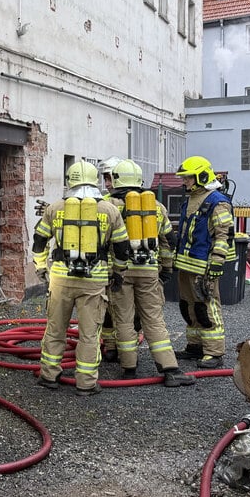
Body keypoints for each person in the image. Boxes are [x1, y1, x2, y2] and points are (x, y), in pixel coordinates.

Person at [32, 160, 131, 395]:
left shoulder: (54, 208)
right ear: (95, 180)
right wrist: (118, 273)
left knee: (55, 329)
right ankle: (86, 383)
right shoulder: (109, 209)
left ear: (70, 181)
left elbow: (39, 242)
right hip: (94, 281)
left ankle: (49, 376)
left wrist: (41, 268)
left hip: (60, 279)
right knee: (89, 334)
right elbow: (121, 248)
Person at [106, 160, 196, 387]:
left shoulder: (107, 206)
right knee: (154, 319)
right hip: (148, 270)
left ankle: (128, 368)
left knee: (124, 319)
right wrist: (166, 269)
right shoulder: (156, 206)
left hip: (120, 272)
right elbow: (168, 242)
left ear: (116, 179)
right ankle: (170, 369)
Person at [172, 156, 236, 369]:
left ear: (200, 176)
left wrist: (217, 262)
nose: (184, 182)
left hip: (204, 266)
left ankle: (214, 352)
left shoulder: (217, 202)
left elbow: (222, 236)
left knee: (207, 308)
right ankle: (195, 346)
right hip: (186, 264)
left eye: (187, 178)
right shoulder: (191, 199)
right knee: (188, 307)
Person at [97, 155, 122, 360]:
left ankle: (123, 348)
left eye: (110, 178)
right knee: (105, 310)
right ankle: (111, 346)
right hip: (107, 268)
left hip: (124, 269)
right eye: (104, 178)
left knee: (124, 311)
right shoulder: (101, 203)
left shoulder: (143, 203)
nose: (107, 183)